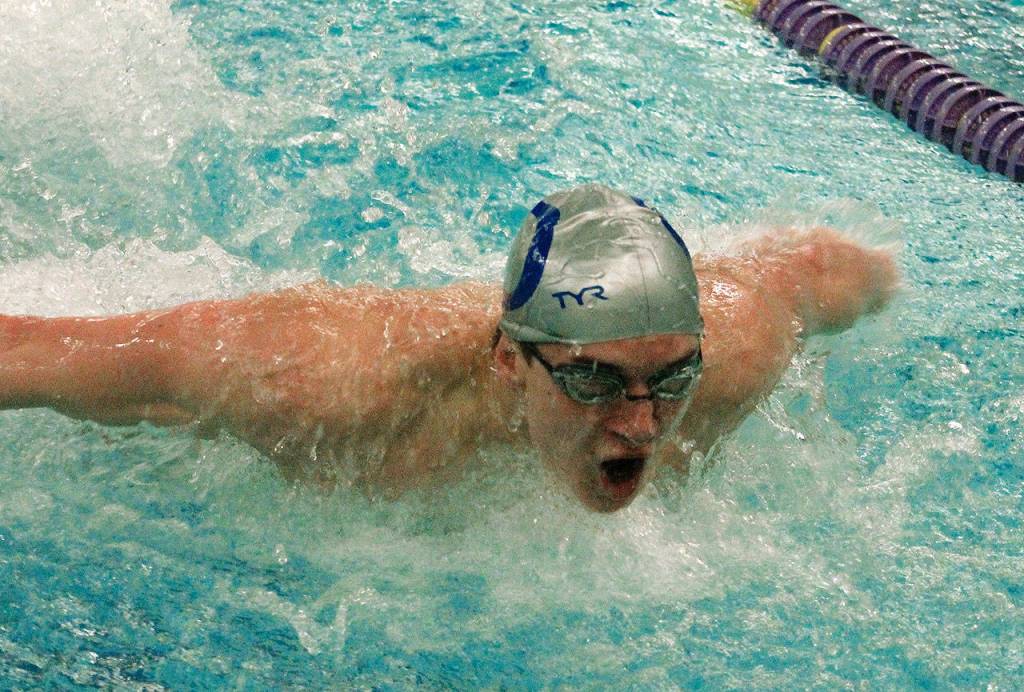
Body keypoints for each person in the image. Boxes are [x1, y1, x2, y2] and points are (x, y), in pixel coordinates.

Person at [0, 184, 897, 512]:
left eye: (670, 378)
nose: (643, 421)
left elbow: (820, 270)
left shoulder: (730, 349)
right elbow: (28, 355)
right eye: (594, 381)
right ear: (511, 357)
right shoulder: (311, 379)